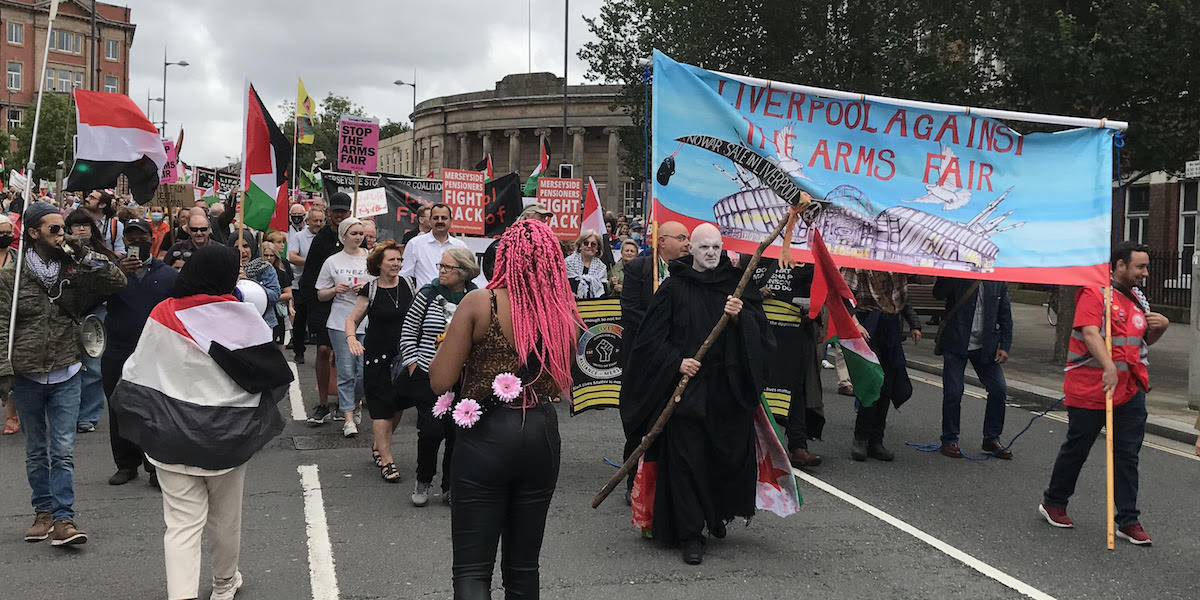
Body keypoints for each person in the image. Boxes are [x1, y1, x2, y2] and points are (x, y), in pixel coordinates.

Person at [110, 244, 292, 600]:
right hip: (227, 437)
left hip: (169, 436)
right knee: (225, 519)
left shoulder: (164, 313)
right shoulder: (240, 315)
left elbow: (135, 371)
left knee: (180, 525)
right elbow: (271, 374)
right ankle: (225, 584)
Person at [429, 219, 578, 599]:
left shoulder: (482, 301)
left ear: (505, 256)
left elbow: (440, 380)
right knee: (524, 567)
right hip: (541, 432)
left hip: (486, 436)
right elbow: (566, 378)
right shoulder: (562, 311)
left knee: (473, 569)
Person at [622, 223, 772, 565]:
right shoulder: (675, 287)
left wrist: (740, 319)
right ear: (692, 249)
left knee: (722, 456)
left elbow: (761, 334)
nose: (711, 254)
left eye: (717, 247)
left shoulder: (738, 286)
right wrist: (678, 362)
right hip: (687, 390)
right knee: (687, 460)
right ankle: (691, 533)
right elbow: (649, 341)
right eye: (704, 247)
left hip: (726, 390)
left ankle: (714, 513)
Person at [0, 201, 126, 545]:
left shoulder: (74, 265)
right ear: (33, 233)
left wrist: (83, 253)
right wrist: (3, 370)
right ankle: (42, 513)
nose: (61, 234)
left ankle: (64, 520)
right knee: (37, 449)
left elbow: (116, 280)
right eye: (54, 229)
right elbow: (0, 323)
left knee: (63, 449)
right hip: (26, 373)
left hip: (67, 368)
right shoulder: (11, 276)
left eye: (64, 228)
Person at [1039, 242, 1169, 545]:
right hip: (1090, 387)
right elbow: (1089, 332)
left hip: (1129, 390)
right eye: (1139, 267)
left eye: (1146, 267)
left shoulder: (1139, 299)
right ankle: (1054, 502)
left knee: (1127, 455)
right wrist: (1108, 366)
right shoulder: (1094, 293)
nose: (1145, 273)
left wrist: (1161, 327)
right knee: (1078, 448)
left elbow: (1141, 342)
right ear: (1119, 265)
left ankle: (1128, 520)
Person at [400, 247, 479, 506]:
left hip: (463, 377)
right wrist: (413, 365)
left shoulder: (475, 297)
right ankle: (423, 479)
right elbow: (409, 331)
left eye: (448, 267)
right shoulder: (428, 294)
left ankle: (451, 485)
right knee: (431, 432)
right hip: (428, 373)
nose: (442, 271)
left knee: (458, 433)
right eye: (440, 266)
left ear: (464, 272)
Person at [617, 220, 689, 502]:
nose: (686, 243)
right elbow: (630, 309)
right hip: (642, 359)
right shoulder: (638, 268)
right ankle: (632, 481)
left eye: (688, 238)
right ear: (662, 241)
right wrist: (658, 331)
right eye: (681, 238)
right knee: (639, 422)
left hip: (674, 359)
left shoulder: (687, 272)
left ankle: (667, 482)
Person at [103, 219, 177, 487]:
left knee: (155, 408)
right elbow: (87, 301)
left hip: (157, 352)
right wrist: (115, 274)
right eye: (130, 237)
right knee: (118, 406)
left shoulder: (168, 274)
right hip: (118, 351)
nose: (136, 242)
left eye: (141, 237)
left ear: (152, 238)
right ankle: (126, 464)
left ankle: (155, 466)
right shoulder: (111, 272)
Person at [345, 241, 414, 483]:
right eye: (391, 260)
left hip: (403, 356)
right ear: (379, 264)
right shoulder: (370, 289)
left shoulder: (408, 284)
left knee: (398, 406)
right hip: (377, 357)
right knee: (382, 409)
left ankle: (379, 445)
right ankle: (386, 460)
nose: (396, 264)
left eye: (399, 260)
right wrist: (351, 338)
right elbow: (352, 320)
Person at [752, 260, 823, 468]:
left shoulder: (809, 265)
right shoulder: (757, 259)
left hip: (794, 339)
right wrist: (757, 295)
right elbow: (739, 292)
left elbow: (820, 299)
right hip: (760, 336)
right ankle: (759, 445)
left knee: (795, 390)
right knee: (758, 389)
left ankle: (798, 446)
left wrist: (812, 308)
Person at [845, 269, 921, 462]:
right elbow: (845, 294)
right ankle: (860, 439)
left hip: (891, 327)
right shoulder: (860, 263)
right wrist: (855, 323)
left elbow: (901, 298)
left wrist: (914, 324)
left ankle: (876, 441)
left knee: (887, 386)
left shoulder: (896, 264)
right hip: (868, 325)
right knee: (872, 382)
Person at [934, 277, 1013, 459]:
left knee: (999, 389)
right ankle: (949, 439)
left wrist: (1005, 345)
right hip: (956, 343)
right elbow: (938, 294)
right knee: (953, 392)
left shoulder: (997, 280)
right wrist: (949, 272)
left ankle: (991, 438)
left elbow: (1005, 313)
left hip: (985, 346)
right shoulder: (958, 274)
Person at [64, 210, 120, 433]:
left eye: (85, 225)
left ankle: (88, 415)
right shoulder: (61, 253)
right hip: (67, 313)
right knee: (67, 366)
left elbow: (112, 280)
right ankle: (68, 413)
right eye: (76, 225)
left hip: (96, 312)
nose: (81, 229)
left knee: (94, 366)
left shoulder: (100, 253)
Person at [316, 217, 372, 437]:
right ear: (343, 236)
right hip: (340, 321)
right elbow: (320, 293)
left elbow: (381, 284)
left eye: (361, 234)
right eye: (354, 233)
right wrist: (334, 290)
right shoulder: (332, 261)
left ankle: (356, 402)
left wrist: (366, 287)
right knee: (346, 371)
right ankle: (348, 418)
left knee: (365, 371)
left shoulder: (370, 258)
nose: (358, 237)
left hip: (366, 322)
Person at [301, 193, 352, 425]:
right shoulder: (320, 239)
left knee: (345, 355)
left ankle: (346, 402)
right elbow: (310, 274)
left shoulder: (355, 236)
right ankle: (323, 403)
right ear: (329, 212)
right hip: (323, 301)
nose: (339, 215)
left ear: (349, 213)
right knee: (323, 350)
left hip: (349, 303)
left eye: (343, 211)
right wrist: (311, 305)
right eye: (336, 211)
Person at [400, 203, 470, 288]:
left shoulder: (460, 246)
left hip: (453, 300)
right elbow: (405, 275)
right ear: (430, 220)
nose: (440, 221)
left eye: (444, 218)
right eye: (435, 218)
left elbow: (468, 276)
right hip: (424, 299)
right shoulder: (415, 244)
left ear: (451, 221)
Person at [288, 206, 324, 364]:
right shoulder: (299, 237)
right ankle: (299, 350)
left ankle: (321, 352)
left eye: (321, 220)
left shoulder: (325, 237)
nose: (318, 223)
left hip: (321, 284)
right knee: (301, 318)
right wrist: (311, 262)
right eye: (315, 220)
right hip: (300, 284)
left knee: (319, 319)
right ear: (307, 220)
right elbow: (292, 256)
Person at [482, 203, 553, 279]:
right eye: (541, 217)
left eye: (545, 217)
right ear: (528, 216)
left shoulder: (546, 243)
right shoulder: (508, 242)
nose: (545, 221)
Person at [234, 236, 281, 329]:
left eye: (245, 246)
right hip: (235, 323)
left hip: (263, 323)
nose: (242, 251)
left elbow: (275, 295)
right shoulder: (226, 268)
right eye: (237, 247)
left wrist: (249, 284)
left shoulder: (265, 268)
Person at [0, 215, 17, 435]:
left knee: (11, 366)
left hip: (12, 318)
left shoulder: (17, 257)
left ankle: (12, 414)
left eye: (8, 232)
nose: (5, 236)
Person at [260, 237, 293, 350]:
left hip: (277, 315)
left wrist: (270, 296)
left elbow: (289, 294)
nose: (268, 258)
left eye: (271, 255)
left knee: (278, 349)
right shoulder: (255, 273)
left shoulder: (282, 274)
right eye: (266, 255)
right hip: (261, 314)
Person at [566, 230, 609, 299]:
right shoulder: (569, 262)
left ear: (597, 248)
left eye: (593, 244)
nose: (589, 246)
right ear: (580, 246)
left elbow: (603, 292)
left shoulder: (601, 267)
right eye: (586, 243)